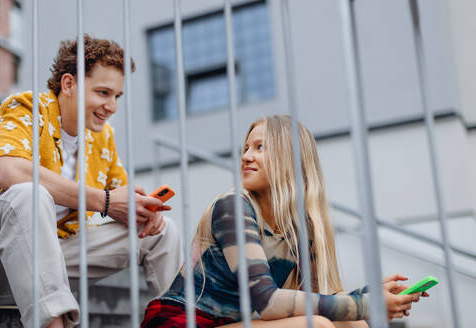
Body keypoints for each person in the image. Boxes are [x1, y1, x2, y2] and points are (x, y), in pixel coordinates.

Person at [141, 115, 425, 328]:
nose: (246, 156)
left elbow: (312, 299)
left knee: (353, 323)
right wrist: (365, 305)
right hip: (178, 321)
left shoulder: (302, 226)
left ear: (289, 158)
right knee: (320, 325)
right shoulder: (234, 207)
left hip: (224, 325)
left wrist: (369, 294)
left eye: (260, 147)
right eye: (247, 147)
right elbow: (267, 302)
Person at [0, 35, 182, 328]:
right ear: (68, 84)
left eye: (117, 96)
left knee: (163, 232)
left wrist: (141, 210)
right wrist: (105, 201)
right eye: (103, 92)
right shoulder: (27, 108)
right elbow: (7, 170)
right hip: (5, 256)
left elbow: (121, 193)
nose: (111, 106)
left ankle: (175, 323)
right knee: (29, 195)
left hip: (59, 255)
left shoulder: (102, 135)